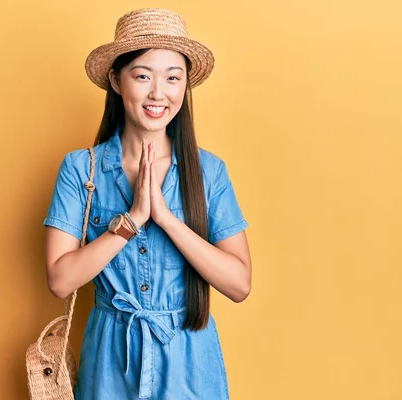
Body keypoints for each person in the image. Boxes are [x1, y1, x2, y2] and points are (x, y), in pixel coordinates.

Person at [43, 8, 252, 400]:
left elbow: (239, 285)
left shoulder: (209, 171)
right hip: (110, 361)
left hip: (190, 362)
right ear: (116, 81)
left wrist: (167, 219)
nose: (160, 93)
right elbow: (60, 280)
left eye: (173, 78)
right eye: (143, 75)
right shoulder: (82, 168)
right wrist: (132, 220)